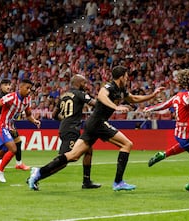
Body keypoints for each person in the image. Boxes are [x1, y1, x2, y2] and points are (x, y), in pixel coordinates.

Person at [27, 65, 164, 191]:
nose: (128, 79)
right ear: (121, 76)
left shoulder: (120, 89)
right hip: (98, 122)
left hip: (92, 124)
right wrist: (116, 107)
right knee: (127, 144)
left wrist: (152, 95)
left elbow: (133, 98)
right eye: (126, 76)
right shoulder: (109, 87)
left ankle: (38, 172)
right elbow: (101, 96)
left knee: (73, 156)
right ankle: (118, 182)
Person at [144, 69, 189, 192]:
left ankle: (163, 154)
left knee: (184, 146)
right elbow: (187, 102)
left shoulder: (176, 97)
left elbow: (164, 105)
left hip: (179, 133)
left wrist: (150, 108)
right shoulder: (186, 97)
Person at [52, 74, 101, 189]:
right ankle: (38, 174)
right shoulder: (80, 94)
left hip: (67, 127)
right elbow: (95, 104)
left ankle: (86, 181)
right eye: (84, 83)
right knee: (65, 160)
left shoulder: (64, 96)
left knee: (88, 150)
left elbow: (54, 114)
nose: (86, 85)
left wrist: (64, 120)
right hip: (70, 129)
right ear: (78, 83)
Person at [0, 79, 30, 178]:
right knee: (4, 149)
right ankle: (0, 163)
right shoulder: (0, 98)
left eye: (9, 84)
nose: (8, 87)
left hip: (9, 124)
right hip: (2, 125)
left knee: (17, 143)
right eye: (5, 85)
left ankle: (17, 163)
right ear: (1, 86)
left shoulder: (13, 97)